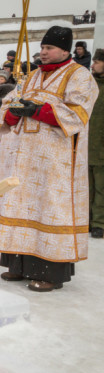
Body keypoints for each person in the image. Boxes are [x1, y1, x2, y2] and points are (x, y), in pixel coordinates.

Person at [0, 26, 97, 291]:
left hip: (56, 159)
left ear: (65, 50)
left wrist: (38, 109)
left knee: (49, 208)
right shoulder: (32, 76)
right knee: (22, 204)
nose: (44, 52)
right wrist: (14, 111)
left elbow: (78, 114)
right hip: (25, 156)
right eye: (42, 47)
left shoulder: (80, 76)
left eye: (49, 48)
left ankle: (50, 272)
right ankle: (18, 265)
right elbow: (10, 103)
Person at [90, 48, 104, 239]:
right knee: (87, 187)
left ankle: (99, 222)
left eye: (97, 61)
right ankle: (87, 219)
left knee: (101, 187)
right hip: (87, 145)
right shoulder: (91, 85)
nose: (93, 65)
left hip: (101, 147)